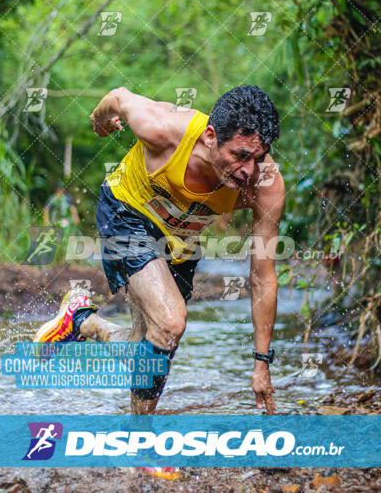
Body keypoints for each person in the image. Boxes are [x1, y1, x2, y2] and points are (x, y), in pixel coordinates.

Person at [34, 84, 284, 422]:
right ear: (211, 136)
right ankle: (142, 441)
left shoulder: (266, 186)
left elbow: (262, 276)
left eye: (259, 157)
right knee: (170, 322)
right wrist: (99, 118)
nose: (248, 171)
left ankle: (82, 320)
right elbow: (120, 97)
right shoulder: (162, 127)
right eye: (240, 155)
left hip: (179, 241)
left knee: (151, 348)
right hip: (127, 212)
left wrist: (261, 362)